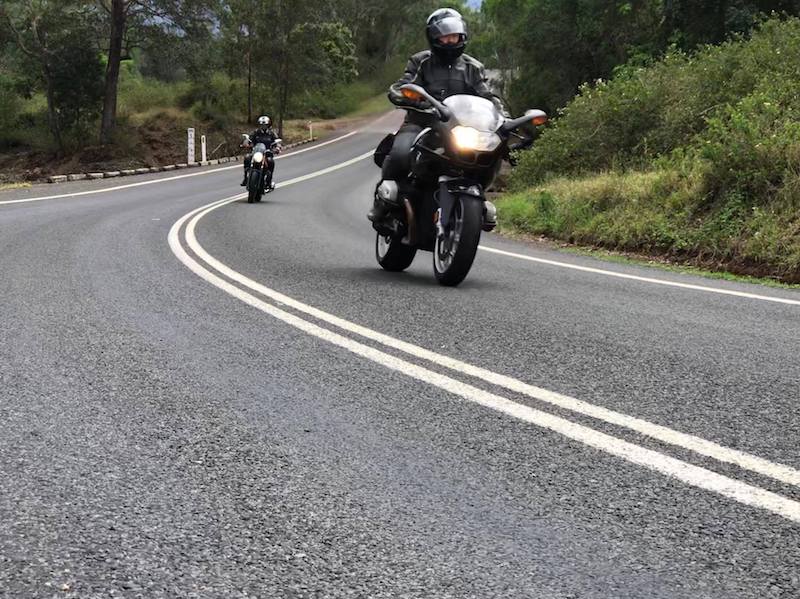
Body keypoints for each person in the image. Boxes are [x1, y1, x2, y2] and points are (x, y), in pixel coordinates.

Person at [368, 8, 507, 223]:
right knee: (400, 152)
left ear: (463, 36)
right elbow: (402, 86)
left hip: (458, 128)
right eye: (445, 36)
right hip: (422, 123)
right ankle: (383, 202)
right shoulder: (421, 62)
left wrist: (503, 118)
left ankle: (479, 201)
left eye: (455, 36)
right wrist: (407, 96)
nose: (450, 41)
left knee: (490, 155)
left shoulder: (473, 67)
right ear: (433, 37)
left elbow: (489, 97)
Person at [242, 115, 279, 187]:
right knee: (247, 157)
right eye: (262, 124)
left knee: (270, 161)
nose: (263, 126)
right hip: (257, 152)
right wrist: (246, 143)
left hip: (267, 153)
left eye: (265, 124)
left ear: (268, 125)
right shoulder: (255, 132)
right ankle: (246, 177)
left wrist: (277, 147)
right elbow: (249, 139)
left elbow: (277, 142)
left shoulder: (271, 133)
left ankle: (269, 180)